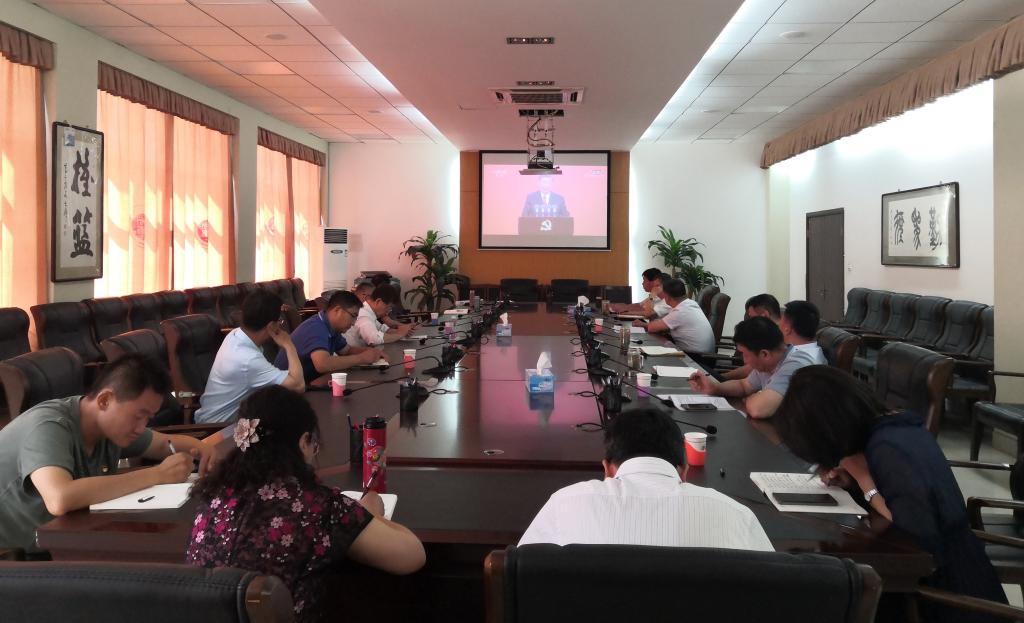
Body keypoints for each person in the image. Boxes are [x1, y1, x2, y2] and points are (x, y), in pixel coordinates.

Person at [774, 366, 1007, 623]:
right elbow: (903, 495)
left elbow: (912, 540)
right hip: (951, 577)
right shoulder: (894, 426)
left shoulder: (889, 449)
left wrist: (864, 480)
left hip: (947, 598)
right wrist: (852, 479)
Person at [187, 386, 425, 622]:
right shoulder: (316, 507)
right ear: (303, 442)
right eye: (314, 445)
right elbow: (411, 555)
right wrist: (366, 514)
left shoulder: (212, 497)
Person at [0, 355, 216, 553]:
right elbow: (60, 498)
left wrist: (202, 448)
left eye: (148, 418)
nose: (141, 427)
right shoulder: (48, 426)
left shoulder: (107, 425)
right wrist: (157, 475)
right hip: (13, 557)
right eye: (138, 416)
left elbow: (162, 444)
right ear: (104, 400)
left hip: (62, 540)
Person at [519, 407, 773, 550]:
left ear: (607, 470)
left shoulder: (566, 503)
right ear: (683, 471)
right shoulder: (736, 516)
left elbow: (521, 575)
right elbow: (776, 592)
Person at [194, 290, 305, 424]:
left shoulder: (235, 334)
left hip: (224, 421)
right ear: (271, 326)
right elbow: (298, 386)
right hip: (218, 430)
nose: (280, 326)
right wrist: (289, 345)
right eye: (279, 322)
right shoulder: (248, 360)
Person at [689, 316, 815, 419]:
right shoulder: (769, 363)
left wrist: (749, 399)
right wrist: (714, 388)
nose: (744, 360)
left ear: (764, 354)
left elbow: (758, 409)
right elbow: (744, 386)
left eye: (745, 354)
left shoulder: (795, 365)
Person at [276, 290, 384, 386]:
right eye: (353, 316)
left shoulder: (331, 326)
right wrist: (362, 358)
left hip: (308, 383)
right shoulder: (316, 327)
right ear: (338, 310)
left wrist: (372, 352)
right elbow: (322, 364)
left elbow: (346, 350)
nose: (354, 323)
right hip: (287, 391)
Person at [721, 296, 822, 380]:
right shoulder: (810, 351)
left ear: (787, 329)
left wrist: (721, 379)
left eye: (782, 320)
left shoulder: (798, 361)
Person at [638, 278, 715, 352]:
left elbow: (652, 328)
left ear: (667, 297)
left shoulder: (680, 311)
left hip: (694, 357)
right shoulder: (691, 303)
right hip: (703, 354)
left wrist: (641, 324)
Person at [344, 284, 415, 347]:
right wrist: (400, 335)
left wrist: (402, 330)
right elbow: (374, 339)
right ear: (378, 301)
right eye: (389, 307)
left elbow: (383, 329)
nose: (389, 311)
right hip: (350, 354)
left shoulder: (369, 312)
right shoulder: (363, 315)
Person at [780, 300, 826, 365]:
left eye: (780, 323)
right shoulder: (812, 350)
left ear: (787, 329)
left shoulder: (798, 363)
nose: (778, 327)